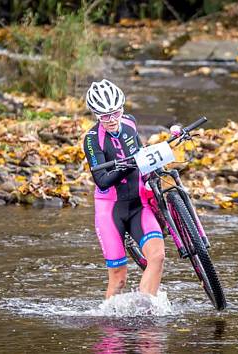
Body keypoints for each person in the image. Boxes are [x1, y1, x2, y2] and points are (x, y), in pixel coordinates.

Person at [83, 79, 165, 299]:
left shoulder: (129, 123)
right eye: (104, 116)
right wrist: (127, 165)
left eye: (115, 113)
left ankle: (147, 311)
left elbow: (140, 151)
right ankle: (111, 329)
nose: (111, 120)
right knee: (119, 278)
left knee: (157, 256)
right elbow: (101, 180)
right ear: (95, 114)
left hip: (139, 204)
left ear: (122, 108)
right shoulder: (92, 139)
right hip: (111, 209)